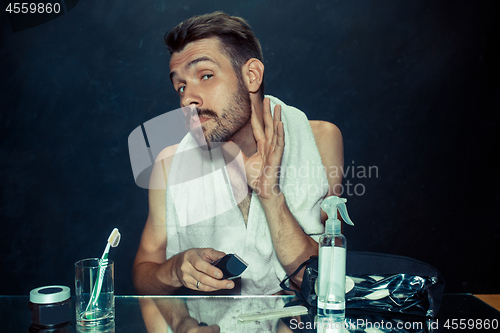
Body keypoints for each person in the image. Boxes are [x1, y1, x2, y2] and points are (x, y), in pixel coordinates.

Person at [132, 11, 343, 325]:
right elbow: (143, 274)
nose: (188, 98)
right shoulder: (170, 165)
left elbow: (326, 282)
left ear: (252, 76)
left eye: (205, 75)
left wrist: (271, 197)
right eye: (180, 87)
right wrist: (176, 269)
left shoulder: (321, 141)